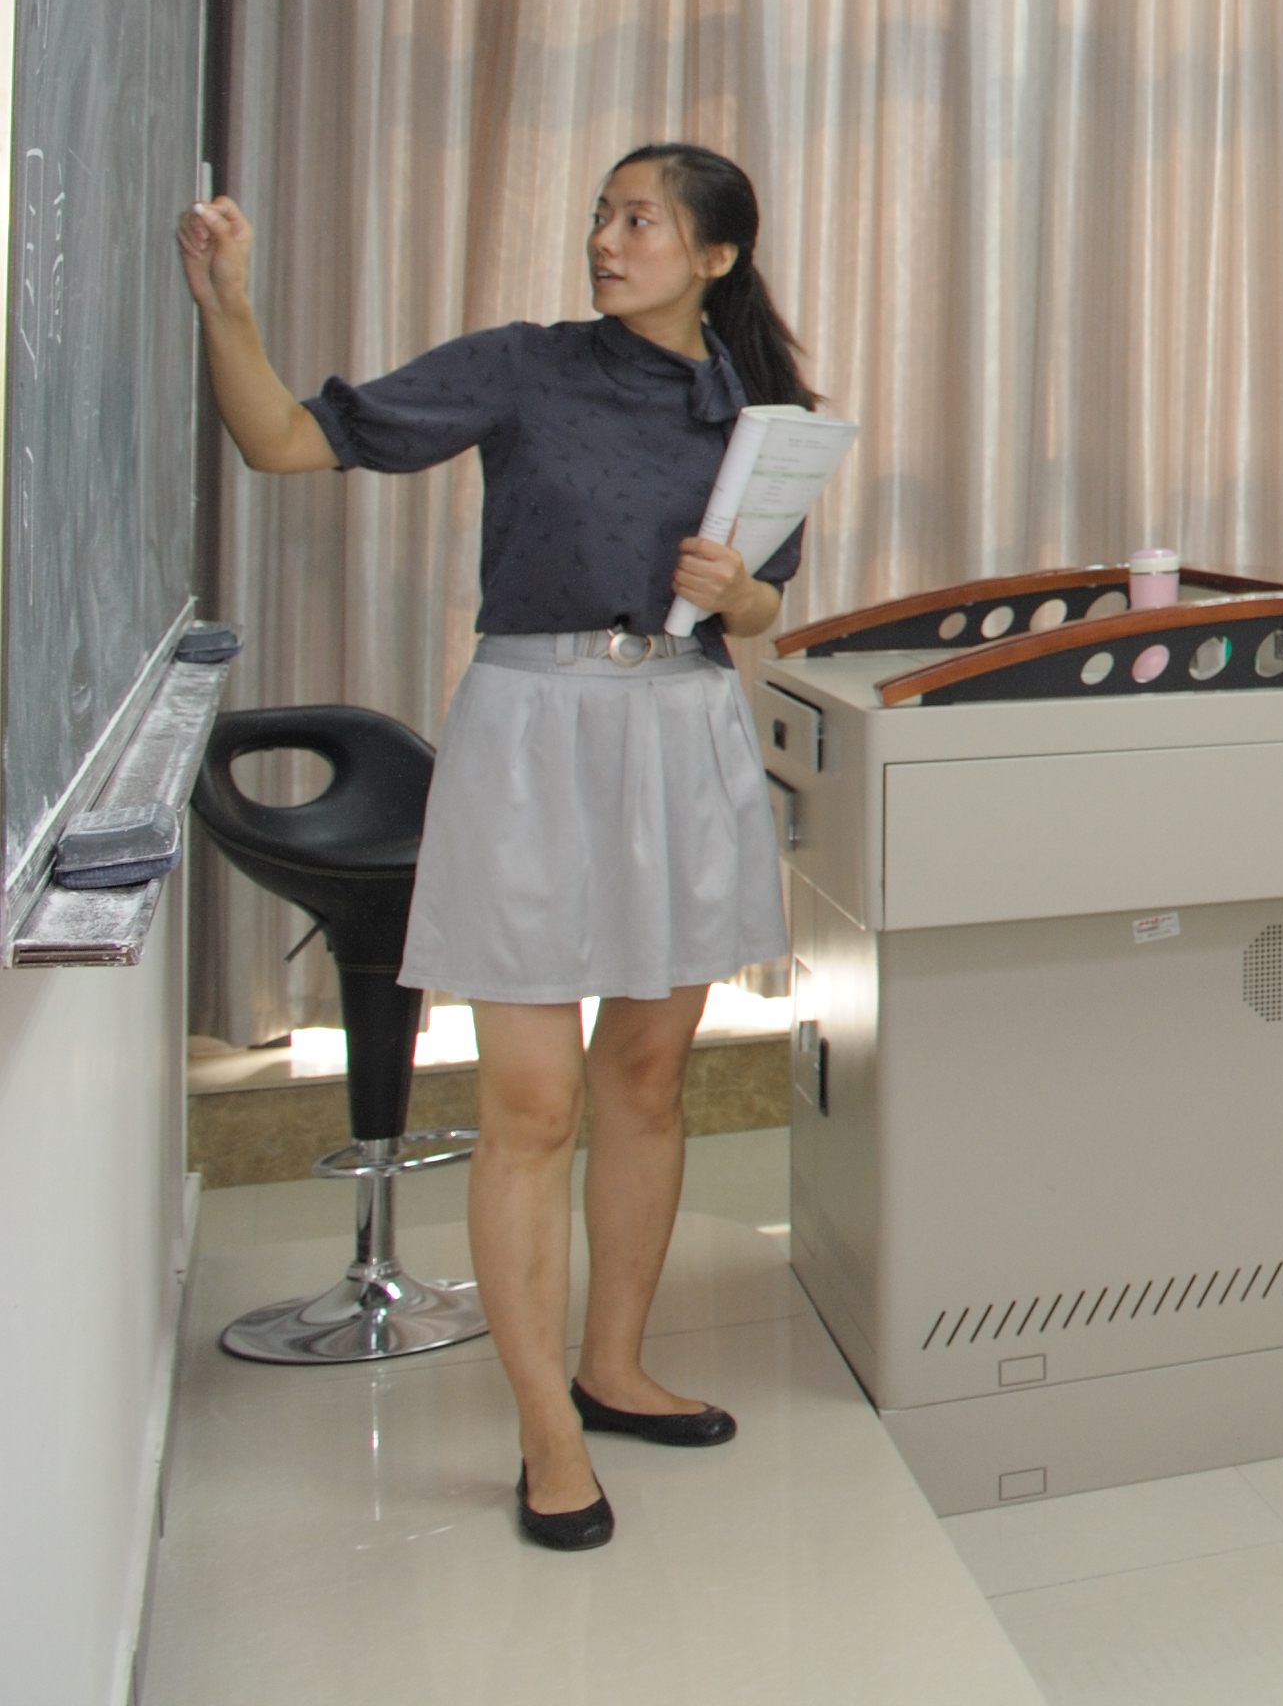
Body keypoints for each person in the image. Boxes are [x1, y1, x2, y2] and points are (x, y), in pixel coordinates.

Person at [179, 148, 815, 1554]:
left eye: (640, 220)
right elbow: (285, 442)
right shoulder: (523, 365)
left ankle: (614, 1368)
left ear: (714, 255)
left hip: (683, 730)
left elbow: (768, 606)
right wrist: (230, 308)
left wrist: (740, 596)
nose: (607, 239)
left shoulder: (757, 415)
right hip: (534, 730)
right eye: (602, 216)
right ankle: (545, 1433)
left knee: (645, 1083)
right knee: (533, 1105)